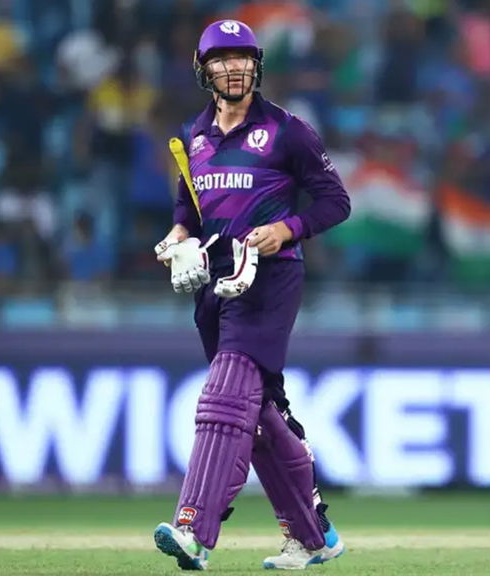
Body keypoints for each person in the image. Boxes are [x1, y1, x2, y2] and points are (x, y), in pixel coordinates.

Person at [151, 19, 351, 570]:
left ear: (255, 66)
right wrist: (174, 242)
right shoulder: (193, 136)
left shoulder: (288, 131)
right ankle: (315, 538)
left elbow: (336, 202)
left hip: (270, 280)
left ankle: (194, 529)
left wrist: (287, 229)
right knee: (258, 417)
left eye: (242, 58)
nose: (233, 68)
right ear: (204, 70)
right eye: (221, 59)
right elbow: (185, 214)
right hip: (216, 285)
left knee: (221, 402)